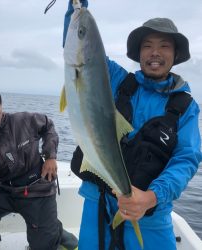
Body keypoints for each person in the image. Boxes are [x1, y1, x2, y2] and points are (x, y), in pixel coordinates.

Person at [63, 1, 202, 250]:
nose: (154, 53)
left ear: (175, 55)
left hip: (150, 214)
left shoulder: (185, 106)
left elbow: (186, 159)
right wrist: (77, 7)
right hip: (98, 203)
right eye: (147, 46)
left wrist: (150, 197)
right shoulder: (117, 81)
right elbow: (84, 49)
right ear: (138, 53)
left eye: (164, 46)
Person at [0, 82, 78, 250]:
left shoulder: (22, 120)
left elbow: (48, 125)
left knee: (44, 244)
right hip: (5, 191)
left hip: (37, 188)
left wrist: (50, 156)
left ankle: (56, 231)